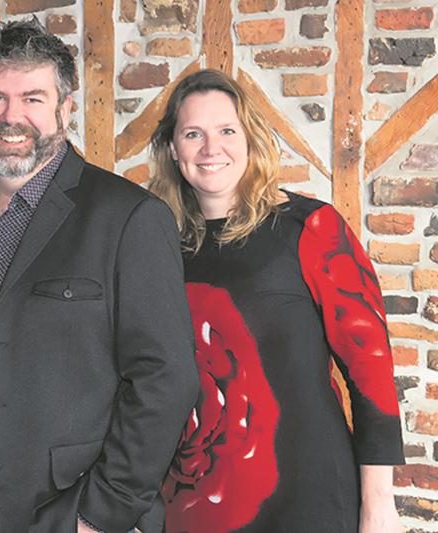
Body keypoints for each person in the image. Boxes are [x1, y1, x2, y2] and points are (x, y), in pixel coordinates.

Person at [0, 18, 198, 533]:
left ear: (65, 109)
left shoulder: (127, 218)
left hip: (61, 518)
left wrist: (99, 514)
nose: (12, 116)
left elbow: (166, 379)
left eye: (33, 98)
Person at [149, 69, 405, 533]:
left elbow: (371, 373)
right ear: (172, 148)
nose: (211, 148)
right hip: (194, 505)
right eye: (193, 134)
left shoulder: (311, 228)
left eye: (227, 131)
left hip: (309, 498)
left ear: (250, 139)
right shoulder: (156, 246)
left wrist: (379, 505)